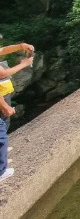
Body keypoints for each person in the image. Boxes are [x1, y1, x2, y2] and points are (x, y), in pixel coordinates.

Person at [0, 38, 35, 182]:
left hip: (4, 94)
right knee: (1, 132)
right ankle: (1, 171)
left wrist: (20, 46)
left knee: (4, 124)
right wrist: (24, 64)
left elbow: (2, 50)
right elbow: (2, 74)